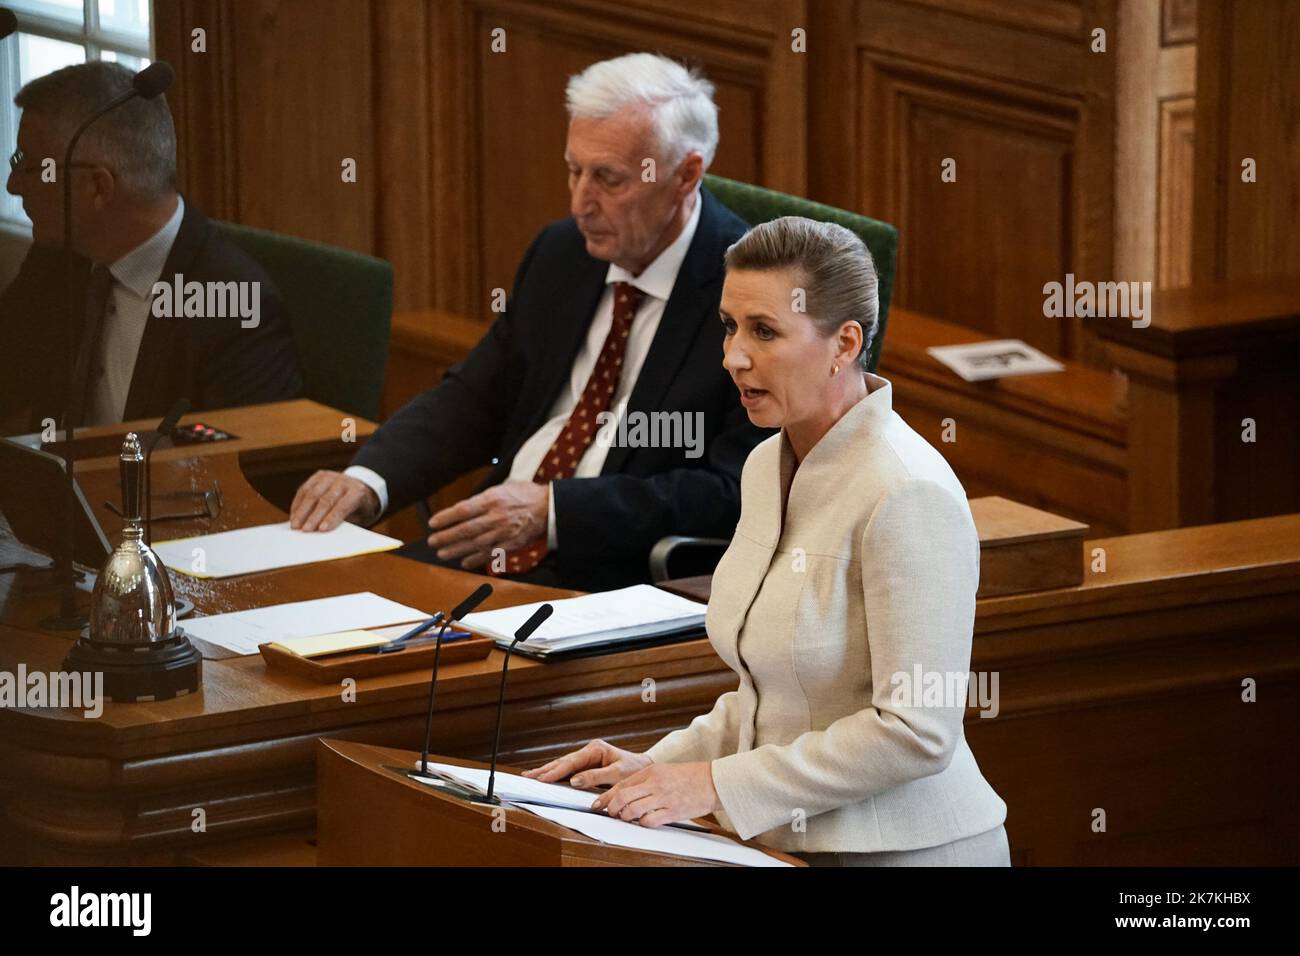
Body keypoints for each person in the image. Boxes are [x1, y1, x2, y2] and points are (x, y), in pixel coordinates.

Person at [526, 216, 1011, 866]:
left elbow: (917, 733)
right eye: (729, 326)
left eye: (764, 331)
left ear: (844, 344)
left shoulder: (907, 493)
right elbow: (769, 700)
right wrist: (654, 767)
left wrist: (709, 785)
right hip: (785, 847)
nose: (733, 357)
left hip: (908, 853)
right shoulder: (764, 465)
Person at [288, 53, 768, 593]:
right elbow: (476, 397)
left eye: (608, 179)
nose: (581, 202)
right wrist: (369, 481)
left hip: (613, 579)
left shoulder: (749, 292)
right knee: (307, 612)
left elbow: (737, 489)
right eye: (573, 170)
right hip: (489, 550)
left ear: (686, 174)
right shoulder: (562, 253)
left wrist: (556, 510)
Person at [0, 61, 301, 434]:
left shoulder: (230, 305)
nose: (14, 185)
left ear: (98, 187)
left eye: (28, 166)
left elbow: (242, 466)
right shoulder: (56, 258)